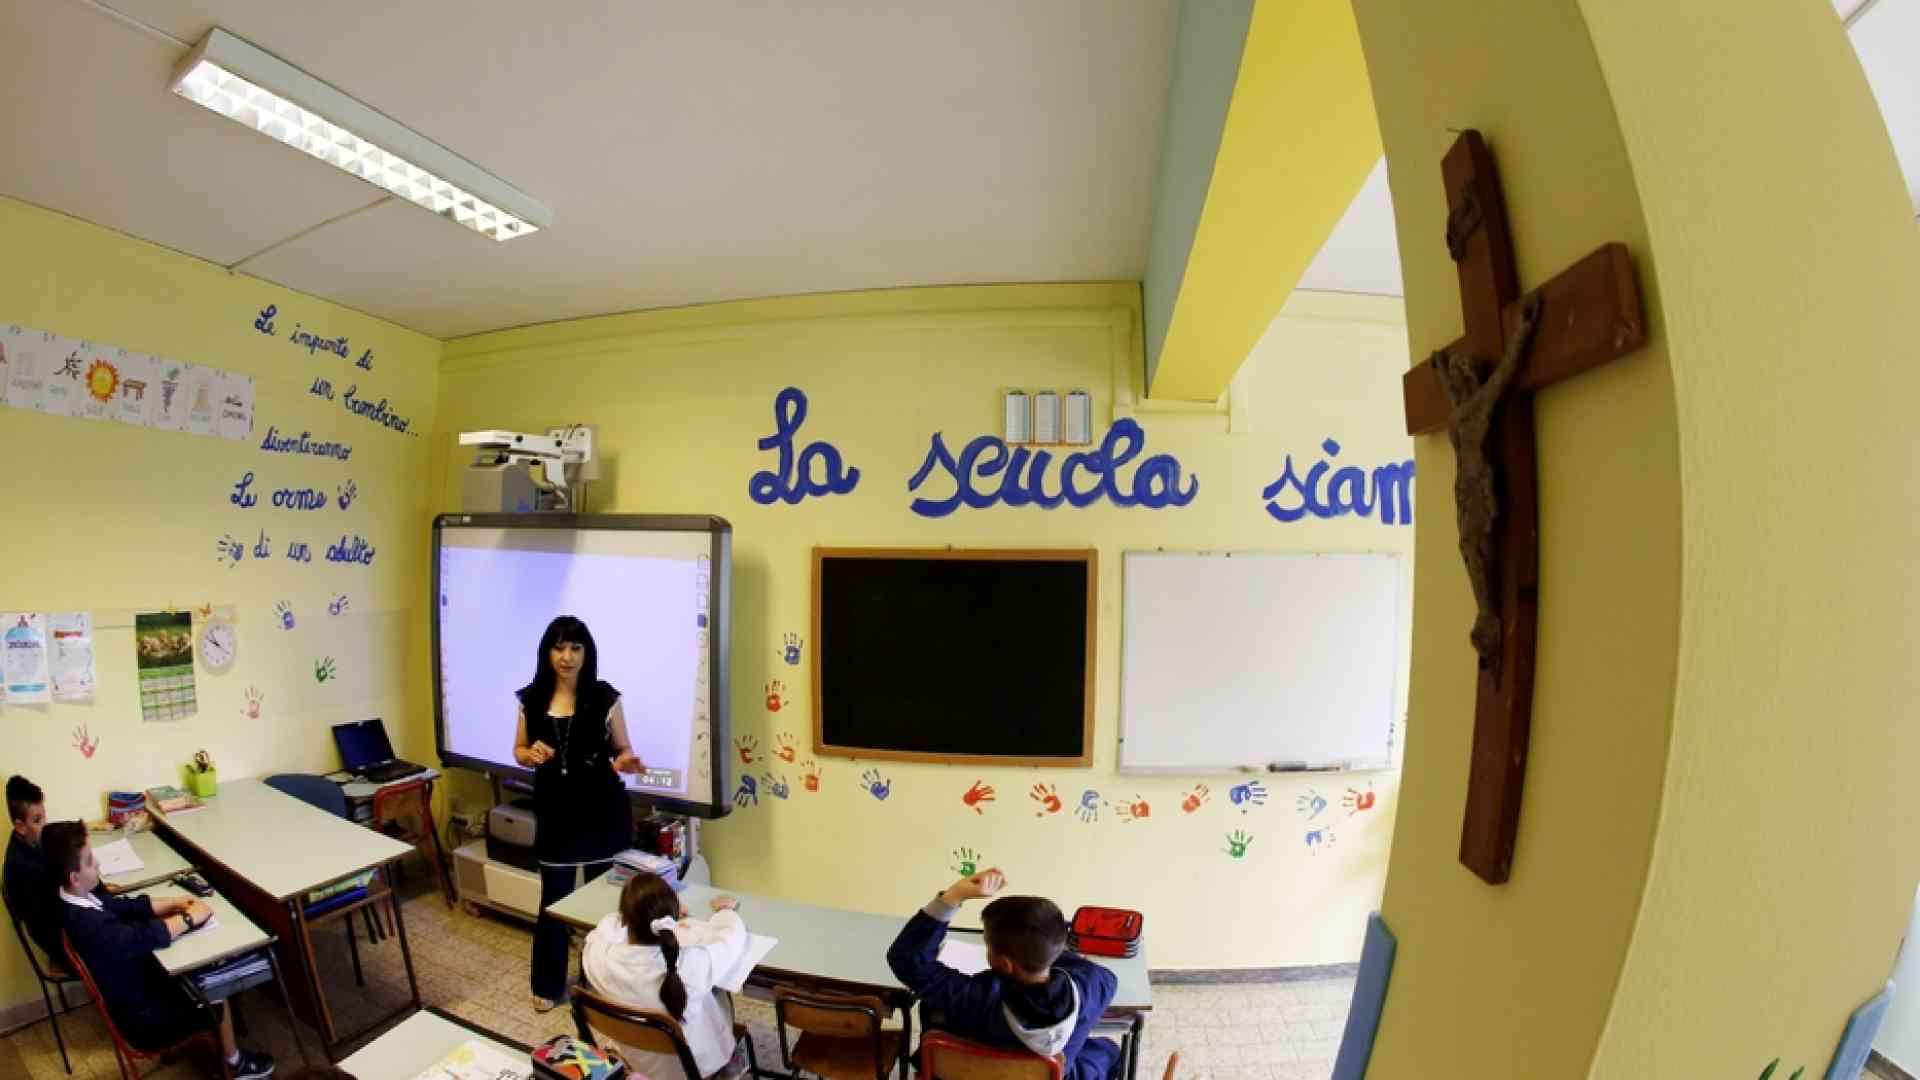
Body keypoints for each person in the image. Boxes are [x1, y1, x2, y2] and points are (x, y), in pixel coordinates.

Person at [42, 821, 275, 1078]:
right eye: (89, 861)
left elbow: (124, 907)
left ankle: (223, 1051)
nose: (97, 863)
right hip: (143, 1020)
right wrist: (188, 918)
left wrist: (174, 903)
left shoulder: (74, 898)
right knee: (215, 988)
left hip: (134, 988)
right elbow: (139, 937)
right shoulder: (88, 924)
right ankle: (235, 1064)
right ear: (74, 878)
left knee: (188, 963)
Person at [513, 615, 645, 1010]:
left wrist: (625, 760)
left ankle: (602, 984)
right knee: (554, 901)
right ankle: (547, 985)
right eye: (559, 648)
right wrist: (529, 754)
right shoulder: (531, 699)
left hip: (602, 810)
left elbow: (623, 748)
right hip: (556, 813)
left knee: (605, 905)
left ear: (587, 653)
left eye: (575, 648)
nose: (567, 656)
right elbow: (518, 750)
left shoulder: (604, 697)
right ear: (547, 652)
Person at [887, 868, 1121, 1080]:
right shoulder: (1095, 986)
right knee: (1108, 1051)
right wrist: (1046, 946)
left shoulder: (974, 998)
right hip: (1051, 1072)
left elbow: (908, 959)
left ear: (1005, 964)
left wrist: (955, 895)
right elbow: (1103, 975)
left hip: (971, 1070)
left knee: (933, 1012)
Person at [581, 874, 752, 1079]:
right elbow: (730, 939)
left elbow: (603, 929)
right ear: (670, 920)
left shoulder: (599, 959)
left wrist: (649, 912)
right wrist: (726, 912)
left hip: (634, 1058)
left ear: (625, 918)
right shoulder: (690, 965)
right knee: (716, 991)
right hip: (695, 1068)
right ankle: (730, 1064)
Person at [4, 775, 64, 970]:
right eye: (38, 820)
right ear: (20, 826)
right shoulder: (22, 867)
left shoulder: (29, 841)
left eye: (44, 816)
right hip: (59, 941)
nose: (45, 824)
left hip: (59, 921)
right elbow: (53, 917)